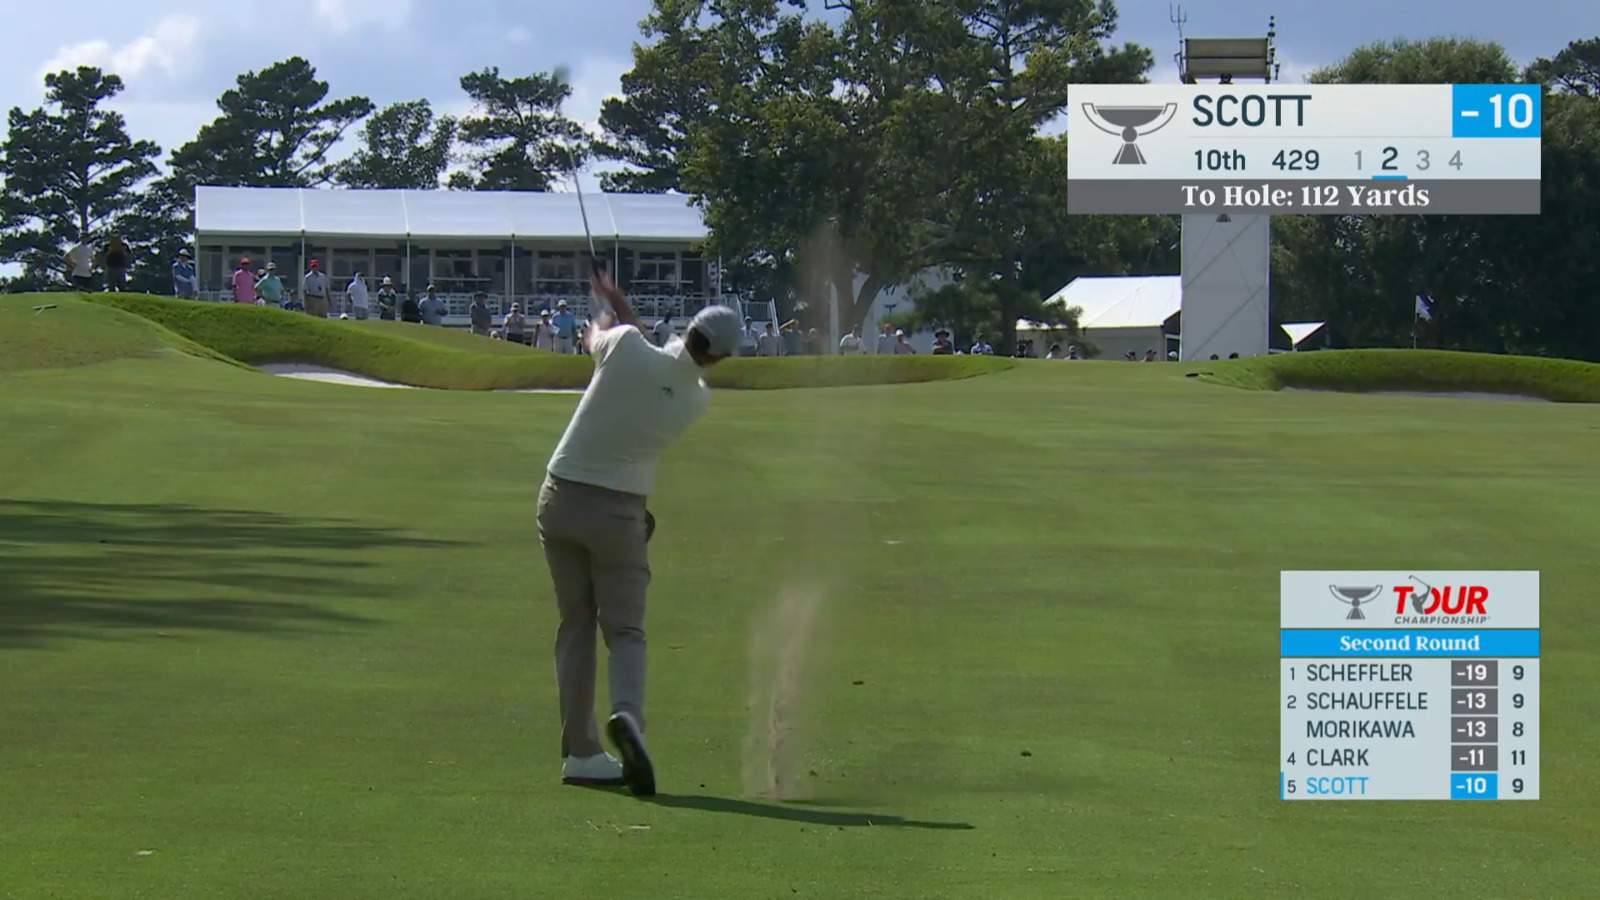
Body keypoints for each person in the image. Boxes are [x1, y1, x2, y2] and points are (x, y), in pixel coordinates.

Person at [539, 271, 739, 796]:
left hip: (559, 498)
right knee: (624, 630)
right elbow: (660, 362)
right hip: (619, 514)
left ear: (689, 326)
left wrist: (606, 308)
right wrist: (620, 307)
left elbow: (605, 338)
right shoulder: (695, 400)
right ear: (719, 357)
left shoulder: (624, 346)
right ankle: (626, 716)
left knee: (575, 625)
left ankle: (581, 754)